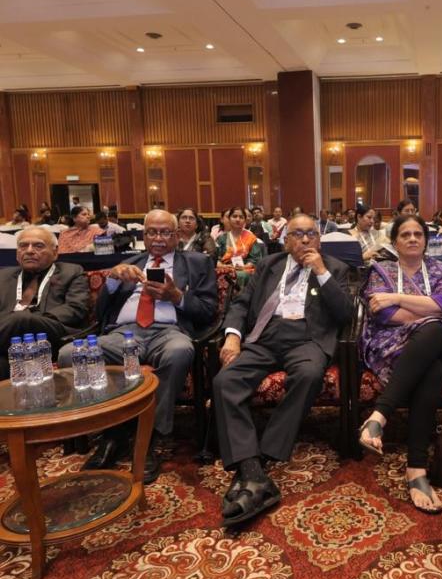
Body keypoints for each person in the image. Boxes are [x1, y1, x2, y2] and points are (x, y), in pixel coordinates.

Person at [212, 213, 353, 526]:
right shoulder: (268, 265)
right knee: (225, 382)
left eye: (311, 234)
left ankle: (259, 459)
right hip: (264, 336)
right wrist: (233, 336)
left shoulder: (336, 268)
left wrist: (321, 272)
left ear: (319, 239)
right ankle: (253, 471)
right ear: (286, 240)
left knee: (309, 375)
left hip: (307, 338)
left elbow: (345, 315)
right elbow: (241, 304)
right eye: (297, 234)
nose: (305, 240)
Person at [58, 210, 217, 482]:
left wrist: (176, 296)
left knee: (180, 351)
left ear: (177, 235)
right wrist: (111, 281)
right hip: (123, 334)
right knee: (70, 354)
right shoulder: (129, 263)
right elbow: (100, 313)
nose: (158, 238)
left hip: (169, 332)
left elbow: (208, 311)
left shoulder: (197, 262)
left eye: (165, 232)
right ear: (144, 235)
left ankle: (151, 435)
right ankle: (112, 430)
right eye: (152, 232)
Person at [358, 214, 442, 513]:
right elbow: (383, 314)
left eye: (418, 234)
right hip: (392, 342)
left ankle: (379, 416)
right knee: (431, 367)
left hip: (441, 339)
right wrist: (429, 313)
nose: (412, 239)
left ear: (425, 240)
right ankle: (416, 468)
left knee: (434, 330)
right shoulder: (380, 270)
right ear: (394, 242)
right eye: (405, 234)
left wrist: (395, 298)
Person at [0, 227, 89, 380]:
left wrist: (35, 317)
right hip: (9, 338)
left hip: (52, 331)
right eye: (23, 246)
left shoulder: (71, 272)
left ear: (55, 252)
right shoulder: (3, 276)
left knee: (21, 318)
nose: (29, 251)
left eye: (38, 246)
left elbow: (76, 308)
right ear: (17, 254)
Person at [216, 206, 265, 287]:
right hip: (225, 268)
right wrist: (224, 266)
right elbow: (216, 258)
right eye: (234, 216)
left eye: (241, 217)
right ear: (229, 219)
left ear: (245, 220)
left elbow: (255, 259)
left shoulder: (251, 238)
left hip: (245, 269)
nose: (237, 219)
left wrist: (243, 267)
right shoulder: (221, 238)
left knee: (240, 275)